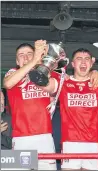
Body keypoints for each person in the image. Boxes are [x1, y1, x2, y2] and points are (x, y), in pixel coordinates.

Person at [39, 37, 98, 170]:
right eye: (79, 59)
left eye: (87, 59)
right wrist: (45, 60)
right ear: (72, 64)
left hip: (94, 143)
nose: (83, 62)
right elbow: (42, 82)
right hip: (70, 143)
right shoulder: (64, 83)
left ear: (92, 62)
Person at [3, 41, 57, 170]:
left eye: (29, 54)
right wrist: (34, 60)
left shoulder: (49, 73)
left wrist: (40, 63)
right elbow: (7, 84)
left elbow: (55, 87)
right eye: (21, 55)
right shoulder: (12, 73)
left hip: (45, 136)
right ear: (17, 61)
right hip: (21, 138)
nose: (26, 57)